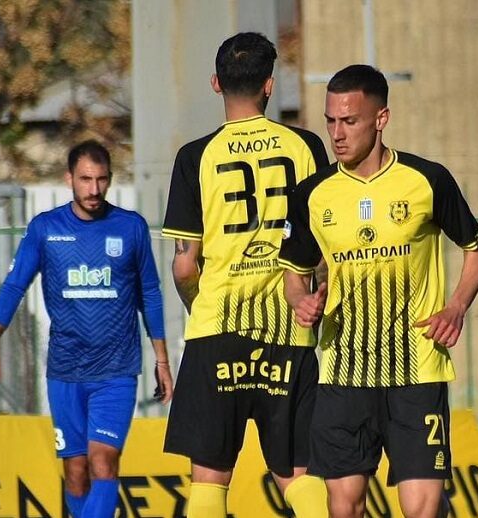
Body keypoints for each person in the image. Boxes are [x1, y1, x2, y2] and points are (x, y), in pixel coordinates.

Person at [280, 64, 478, 518]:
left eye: (349, 120)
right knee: (344, 507)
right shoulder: (312, 195)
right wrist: (302, 302)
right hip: (342, 374)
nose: (337, 134)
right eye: (330, 121)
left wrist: (456, 307)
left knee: (420, 509)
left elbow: (477, 249)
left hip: (416, 371)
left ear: (382, 118)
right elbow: (294, 276)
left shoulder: (426, 180)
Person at [161, 32, 330, 518]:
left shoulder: (195, 156)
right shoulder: (306, 146)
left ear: (216, 83)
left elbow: (185, 264)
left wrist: (197, 302)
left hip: (217, 328)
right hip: (289, 331)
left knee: (210, 481)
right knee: (299, 476)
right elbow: (322, 247)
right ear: (269, 85)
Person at [0, 140, 172, 518]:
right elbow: (15, 285)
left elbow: (150, 292)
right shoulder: (46, 229)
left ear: (110, 179)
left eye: (101, 180)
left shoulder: (130, 227)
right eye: (85, 179)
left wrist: (161, 360)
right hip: (65, 371)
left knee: (103, 463)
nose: (94, 189)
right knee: (76, 474)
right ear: (69, 179)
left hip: (116, 371)